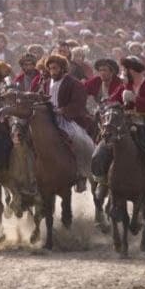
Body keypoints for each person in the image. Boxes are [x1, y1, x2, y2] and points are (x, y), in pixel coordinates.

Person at [92, 55, 145, 200]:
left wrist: (135, 98)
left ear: (133, 70)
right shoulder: (124, 86)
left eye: (125, 69)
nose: (123, 72)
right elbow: (113, 100)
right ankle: (102, 181)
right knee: (101, 149)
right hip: (123, 122)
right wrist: (104, 105)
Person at [44, 54, 94, 193]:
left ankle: (81, 174)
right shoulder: (46, 83)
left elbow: (79, 103)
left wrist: (63, 111)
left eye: (55, 68)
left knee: (77, 140)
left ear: (62, 68)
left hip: (68, 120)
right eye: (50, 68)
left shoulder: (74, 83)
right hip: (48, 119)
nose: (52, 71)